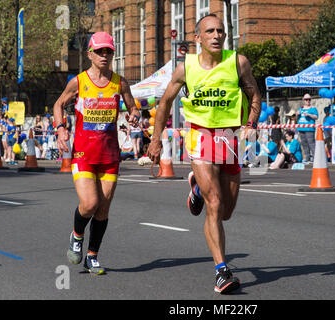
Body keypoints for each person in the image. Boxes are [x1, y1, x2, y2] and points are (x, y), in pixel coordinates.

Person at [146, 14, 261, 294]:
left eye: (220, 31)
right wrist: (156, 140)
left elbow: (254, 96)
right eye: (209, 31)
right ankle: (222, 271)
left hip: (231, 138)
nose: (216, 35)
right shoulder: (186, 68)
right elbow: (164, 104)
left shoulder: (238, 63)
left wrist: (251, 124)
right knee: (215, 202)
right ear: (198, 38)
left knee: (226, 212)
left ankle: (195, 187)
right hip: (200, 136)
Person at [54, 31, 140, 275]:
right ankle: (77, 234)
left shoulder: (120, 82)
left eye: (108, 51)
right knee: (90, 203)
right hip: (83, 153)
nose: (104, 55)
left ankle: (92, 256)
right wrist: (61, 130)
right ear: (90, 54)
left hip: (110, 155)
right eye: (100, 51)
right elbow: (59, 104)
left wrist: (134, 115)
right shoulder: (78, 82)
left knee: (103, 208)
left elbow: (132, 107)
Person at [296, 93, 318, 163]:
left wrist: (309, 114)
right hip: (301, 128)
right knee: (304, 144)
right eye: (306, 99)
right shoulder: (301, 108)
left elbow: (316, 117)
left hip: (309, 129)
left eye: (309, 99)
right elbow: (297, 118)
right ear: (303, 100)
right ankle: (307, 158)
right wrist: (297, 114)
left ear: (310, 100)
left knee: (311, 143)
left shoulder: (313, 108)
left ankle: (315, 158)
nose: (307, 101)